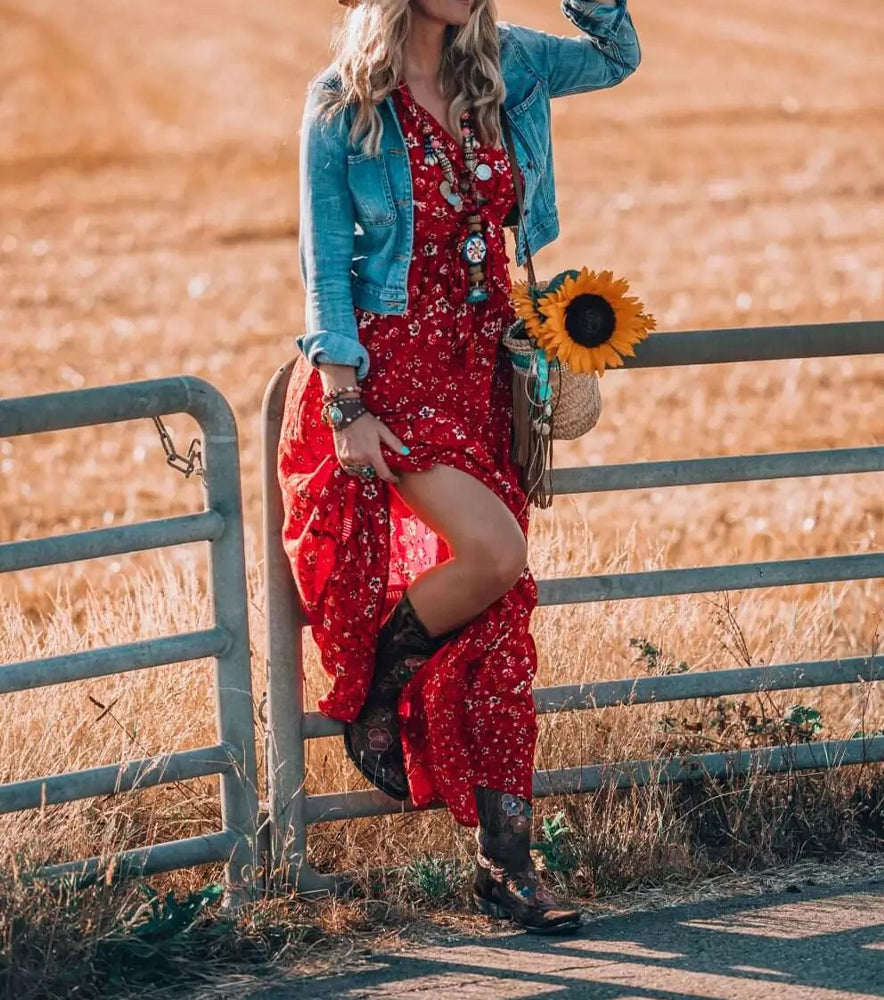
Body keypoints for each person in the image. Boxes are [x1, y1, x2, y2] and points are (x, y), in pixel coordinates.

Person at [278, 0, 641, 934]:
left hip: (485, 368)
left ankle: (507, 863)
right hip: (399, 374)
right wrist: (345, 402)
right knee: (495, 556)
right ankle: (387, 684)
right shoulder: (342, 103)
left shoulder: (508, 63)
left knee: (503, 619)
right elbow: (326, 271)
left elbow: (617, 58)